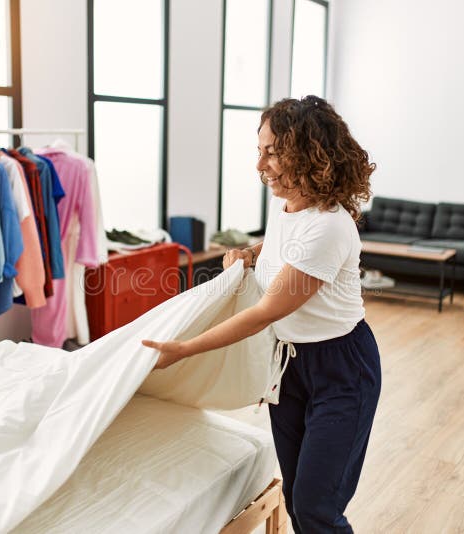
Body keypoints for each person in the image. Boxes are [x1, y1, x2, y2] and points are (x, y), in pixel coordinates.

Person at [142, 95, 381, 533]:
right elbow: (281, 247)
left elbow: (265, 312)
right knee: (296, 498)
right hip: (291, 365)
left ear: (308, 153)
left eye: (272, 152)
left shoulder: (329, 226)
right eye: (260, 151)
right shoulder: (287, 207)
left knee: (316, 507)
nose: (260, 165)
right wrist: (250, 254)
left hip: (342, 370)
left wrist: (184, 349)